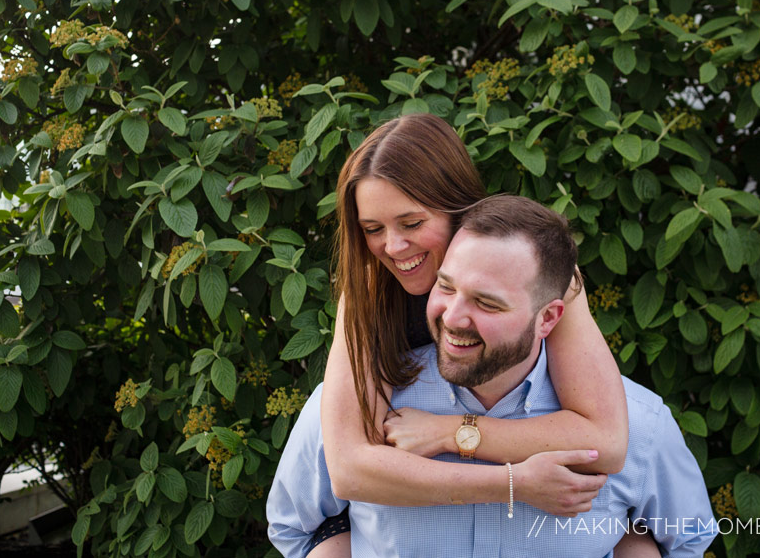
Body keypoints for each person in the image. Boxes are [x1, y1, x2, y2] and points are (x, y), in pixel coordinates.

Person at [268, 196, 717, 557]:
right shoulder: (358, 410)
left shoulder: (639, 424)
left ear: (549, 318)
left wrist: (633, 542)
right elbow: (292, 528)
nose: (453, 317)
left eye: (488, 303)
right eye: (445, 287)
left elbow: (687, 538)